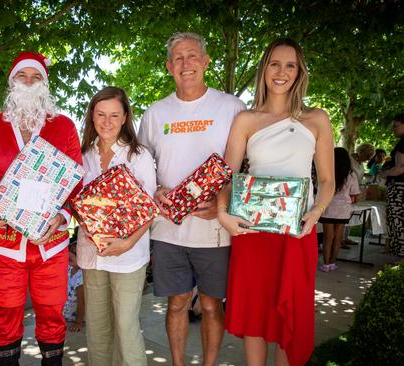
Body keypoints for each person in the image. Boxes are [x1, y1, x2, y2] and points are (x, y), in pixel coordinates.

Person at [216, 38, 335, 366]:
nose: (281, 72)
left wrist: (317, 211)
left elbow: (326, 180)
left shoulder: (317, 119)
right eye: (274, 63)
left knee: (291, 318)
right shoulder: (246, 120)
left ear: (299, 73)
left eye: (290, 65)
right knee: (255, 311)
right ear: (264, 69)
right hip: (252, 234)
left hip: (298, 232)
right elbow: (227, 175)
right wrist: (222, 213)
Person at [137, 32, 246, 366]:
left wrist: (224, 206)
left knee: (212, 305)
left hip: (216, 229)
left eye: (193, 55)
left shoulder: (231, 107)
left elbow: (248, 166)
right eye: (179, 58)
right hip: (169, 228)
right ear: (170, 67)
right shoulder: (155, 113)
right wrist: (155, 190)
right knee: (177, 303)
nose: (186, 64)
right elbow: (141, 166)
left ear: (206, 61)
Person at [0, 51, 82, 365]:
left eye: (37, 78)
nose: (29, 83)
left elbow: (76, 184)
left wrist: (63, 216)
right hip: (3, 244)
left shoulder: (62, 127)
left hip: (50, 242)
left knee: (51, 311)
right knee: (6, 312)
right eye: (23, 76)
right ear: (11, 82)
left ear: (45, 85)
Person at [76, 86, 155, 364]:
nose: (107, 122)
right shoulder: (82, 155)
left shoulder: (138, 155)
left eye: (114, 115)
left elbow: (149, 209)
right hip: (92, 255)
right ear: (92, 117)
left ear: (124, 118)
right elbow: (74, 202)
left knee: (126, 328)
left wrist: (128, 243)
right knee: (97, 331)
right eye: (101, 114)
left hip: (129, 256)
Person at [318, 147, 360, 272]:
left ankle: (325, 263)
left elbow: (319, 188)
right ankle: (332, 263)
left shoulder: (327, 172)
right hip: (343, 210)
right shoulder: (351, 174)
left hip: (328, 207)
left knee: (328, 237)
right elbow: (355, 195)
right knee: (338, 237)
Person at [379, 114, 404, 257]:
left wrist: (385, 173)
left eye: (396, 126)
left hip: (399, 189)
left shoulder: (403, 143)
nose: (393, 129)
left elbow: (400, 168)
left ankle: (400, 261)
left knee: (397, 223)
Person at [62, 241, 84, 333]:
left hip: (72, 316)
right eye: (70, 250)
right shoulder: (68, 268)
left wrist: (78, 322)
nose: (70, 254)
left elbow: (81, 301)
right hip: (63, 314)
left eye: (75, 253)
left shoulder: (81, 277)